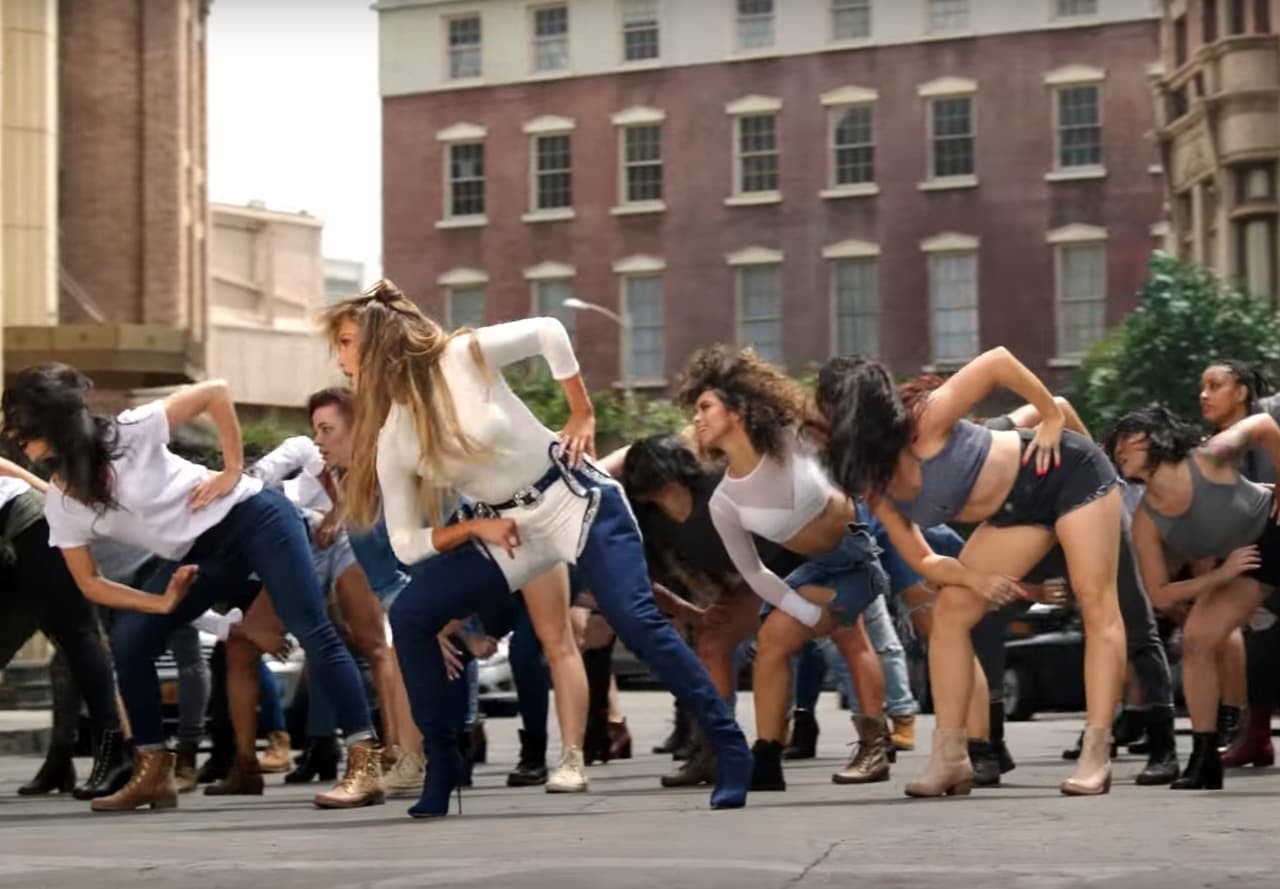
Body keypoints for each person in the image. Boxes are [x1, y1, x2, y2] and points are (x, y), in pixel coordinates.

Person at [325, 281, 751, 817]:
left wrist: (581, 411)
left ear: (378, 338)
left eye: (343, 341)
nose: (338, 358)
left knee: (636, 620)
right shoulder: (396, 436)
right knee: (412, 612)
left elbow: (549, 332)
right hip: (508, 528)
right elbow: (407, 546)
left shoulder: (463, 355)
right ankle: (443, 762)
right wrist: (473, 531)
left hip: (574, 496)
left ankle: (730, 749)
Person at [0, 363, 380, 811]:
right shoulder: (64, 502)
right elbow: (91, 583)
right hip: (199, 553)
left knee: (311, 628)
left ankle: (365, 764)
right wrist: (159, 603)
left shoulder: (129, 431)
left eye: (23, 428)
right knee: (131, 640)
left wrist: (232, 470)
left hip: (254, 516)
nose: (16, 439)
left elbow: (215, 392)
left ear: (55, 424)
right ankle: (154, 772)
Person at [814, 349, 1126, 797]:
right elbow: (922, 560)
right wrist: (975, 579)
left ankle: (1097, 753)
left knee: (1097, 605)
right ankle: (952, 759)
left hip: (1066, 471)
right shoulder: (875, 482)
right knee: (950, 615)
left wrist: (1050, 416)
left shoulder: (927, 417)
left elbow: (998, 362)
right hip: (1014, 513)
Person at [674, 346, 897, 791]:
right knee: (773, 643)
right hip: (814, 567)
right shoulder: (725, 502)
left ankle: (877, 748)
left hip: (860, 552)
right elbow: (756, 575)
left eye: (705, 407)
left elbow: (842, 412)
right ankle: (768, 757)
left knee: (853, 637)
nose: (696, 419)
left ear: (737, 409)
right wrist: (805, 609)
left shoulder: (790, 437)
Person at [1109, 405, 1280, 789]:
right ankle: (1205, 760)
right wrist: (1222, 573)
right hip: (1247, 559)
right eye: (1115, 442)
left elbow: (1266, 425)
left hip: (1274, 524)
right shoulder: (1146, 520)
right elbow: (1159, 592)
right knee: (1198, 638)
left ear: (1157, 438)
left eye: (1129, 437)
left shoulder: (1208, 457)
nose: (1119, 447)